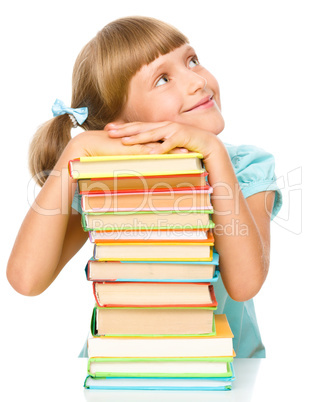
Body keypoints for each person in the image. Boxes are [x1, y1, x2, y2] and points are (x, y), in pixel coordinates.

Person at [6, 16, 282, 358]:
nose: (196, 81)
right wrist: (74, 153)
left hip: (228, 377)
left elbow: (245, 284)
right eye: (163, 79)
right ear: (122, 126)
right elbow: (26, 280)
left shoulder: (247, 168)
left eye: (192, 60)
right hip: (120, 372)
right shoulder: (104, 185)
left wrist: (213, 152)